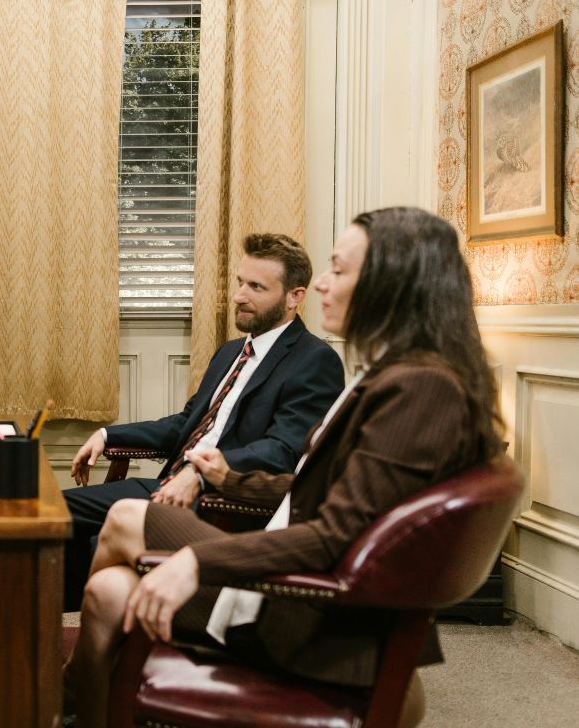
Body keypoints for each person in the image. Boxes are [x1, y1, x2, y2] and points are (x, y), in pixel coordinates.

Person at [63, 207, 506, 727]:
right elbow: (335, 492)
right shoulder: (403, 375)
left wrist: (197, 563)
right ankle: (74, 705)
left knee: (122, 526)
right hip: (312, 590)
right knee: (106, 590)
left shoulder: (419, 388)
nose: (320, 283)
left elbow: (331, 535)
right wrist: (231, 478)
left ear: (393, 285)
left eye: (339, 269)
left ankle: (60, 701)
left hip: (307, 615)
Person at [62, 233, 344, 610]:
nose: (240, 296)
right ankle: (41, 627)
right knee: (55, 514)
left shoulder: (313, 361)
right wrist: (107, 433)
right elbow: (185, 424)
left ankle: (90, 625)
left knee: (93, 533)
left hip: (216, 502)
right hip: (166, 484)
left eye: (256, 287)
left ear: (295, 296)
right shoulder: (230, 352)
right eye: (240, 282)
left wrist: (198, 472)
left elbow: (282, 449)